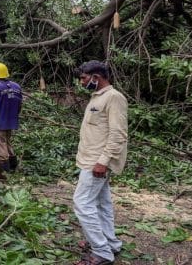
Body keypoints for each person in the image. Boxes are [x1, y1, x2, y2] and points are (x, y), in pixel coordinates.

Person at [73, 60, 128, 265]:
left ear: (96, 78)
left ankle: (101, 252)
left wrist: (103, 162)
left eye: (84, 78)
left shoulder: (114, 98)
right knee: (101, 204)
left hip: (96, 163)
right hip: (89, 160)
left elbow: (118, 134)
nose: (81, 83)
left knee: (82, 204)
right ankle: (111, 244)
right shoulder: (97, 98)